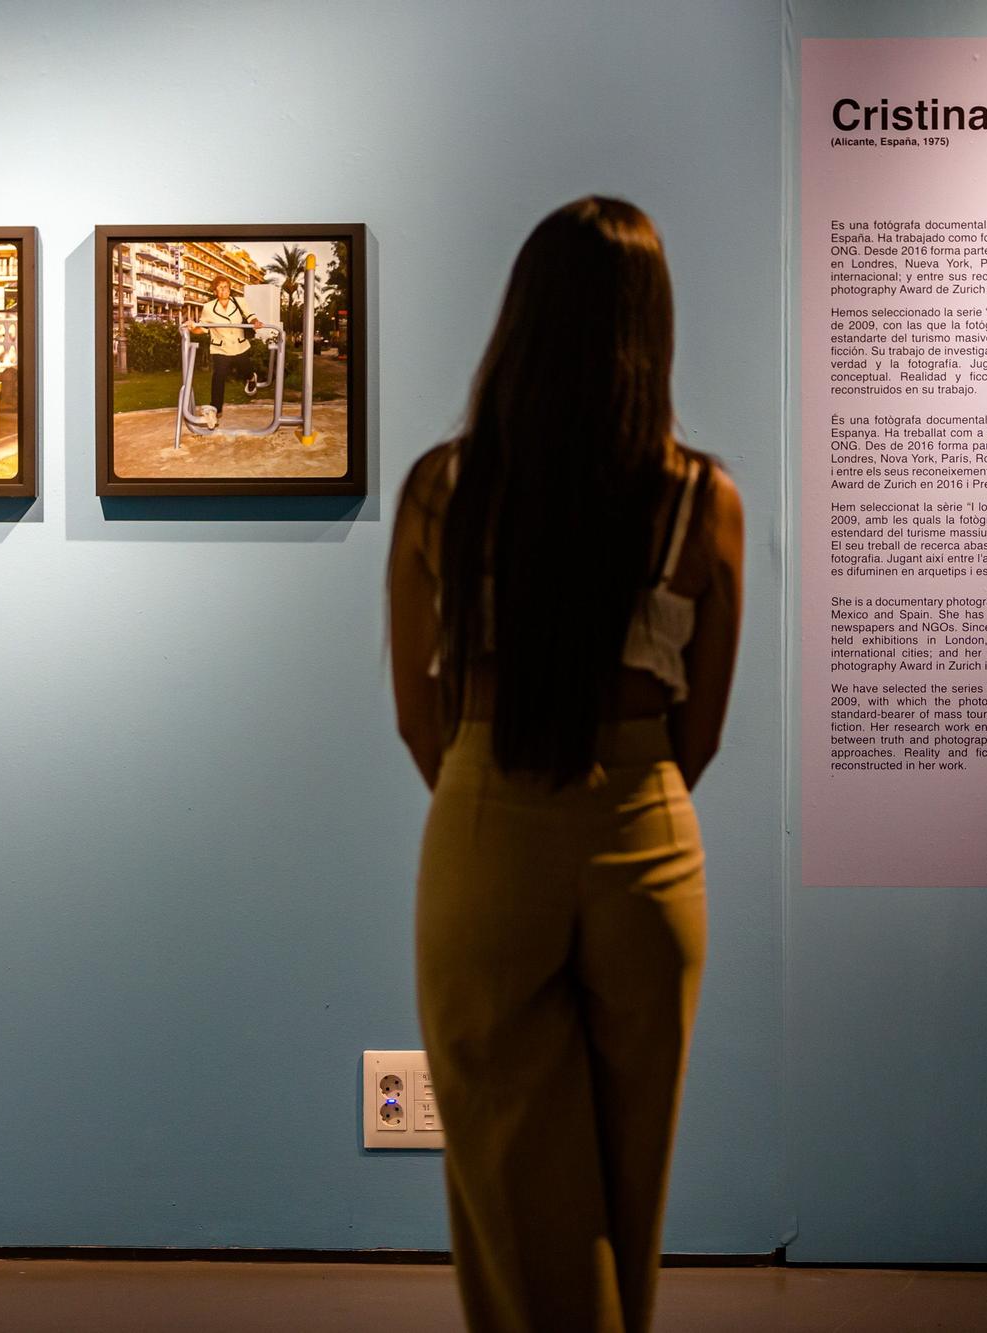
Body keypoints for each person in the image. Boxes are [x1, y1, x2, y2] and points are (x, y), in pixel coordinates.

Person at [387, 196, 744, 1333]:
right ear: (652, 327)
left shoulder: (446, 491)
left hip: (489, 816)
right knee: (627, 1188)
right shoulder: (701, 501)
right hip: (646, 826)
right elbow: (705, 729)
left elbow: (417, 716)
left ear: (520, 320)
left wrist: (490, 788)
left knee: (506, 1172)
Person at [186, 276, 262, 426]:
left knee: (245, 368)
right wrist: (192, 327)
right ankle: (216, 408)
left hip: (239, 345)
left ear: (229, 288)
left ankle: (251, 377)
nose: (224, 290)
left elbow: (250, 315)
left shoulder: (239, 302)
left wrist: (255, 322)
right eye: (220, 288)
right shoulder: (208, 307)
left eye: (226, 287)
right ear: (215, 291)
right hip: (220, 347)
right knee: (218, 377)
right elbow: (203, 328)